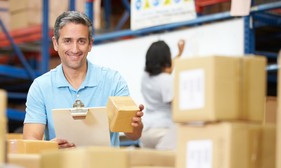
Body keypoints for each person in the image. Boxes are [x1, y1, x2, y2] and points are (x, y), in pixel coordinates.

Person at [23, 11, 144, 148]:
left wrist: (135, 124)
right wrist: (51, 147)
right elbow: (30, 139)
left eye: (81, 41)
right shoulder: (40, 87)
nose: (74, 49)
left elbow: (134, 135)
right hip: (60, 166)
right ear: (56, 44)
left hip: (104, 166)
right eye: (67, 41)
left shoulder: (113, 81)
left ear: (90, 44)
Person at [140, 39, 185, 150]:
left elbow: (168, 70)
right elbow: (177, 106)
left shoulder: (145, 77)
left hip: (145, 132)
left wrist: (179, 54)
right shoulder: (166, 80)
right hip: (163, 131)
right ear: (166, 60)